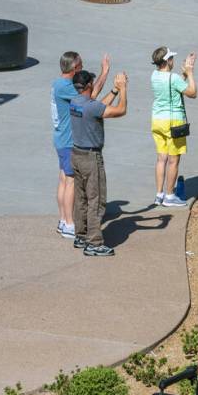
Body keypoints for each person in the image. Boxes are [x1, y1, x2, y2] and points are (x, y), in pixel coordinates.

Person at [70, 68, 128, 257]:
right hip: (90, 158)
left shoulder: (76, 102)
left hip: (76, 154)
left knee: (81, 198)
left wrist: (114, 91)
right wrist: (123, 89)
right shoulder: (90, 106)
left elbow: (98, 107)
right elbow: (120, 111)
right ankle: (94, 243)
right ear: (88, 86)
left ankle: (81, 234)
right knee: (96, 200)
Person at [52, 51, 109, 239]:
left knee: (63, 179)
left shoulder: (58, 84)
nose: (83, 68)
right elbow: (90, 94)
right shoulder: (66, 86)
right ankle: (69, 223)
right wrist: (105, 72)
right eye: (81, 65)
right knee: (71, 182)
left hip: (61, 138)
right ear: (74, 68)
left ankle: (63, 220)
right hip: (69, 140)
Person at [150, 47, 197, 207]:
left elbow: (174, 85)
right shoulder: (173, 78)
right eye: (172, 59)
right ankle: (170, 196)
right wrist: (189, 73)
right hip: (173, 122)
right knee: (173, 160)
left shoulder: (154, 75)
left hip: (157, 120)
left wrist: (183, 73)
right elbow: (192, 92)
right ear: (168, 61)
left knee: (161, 158)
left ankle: (159, 194)